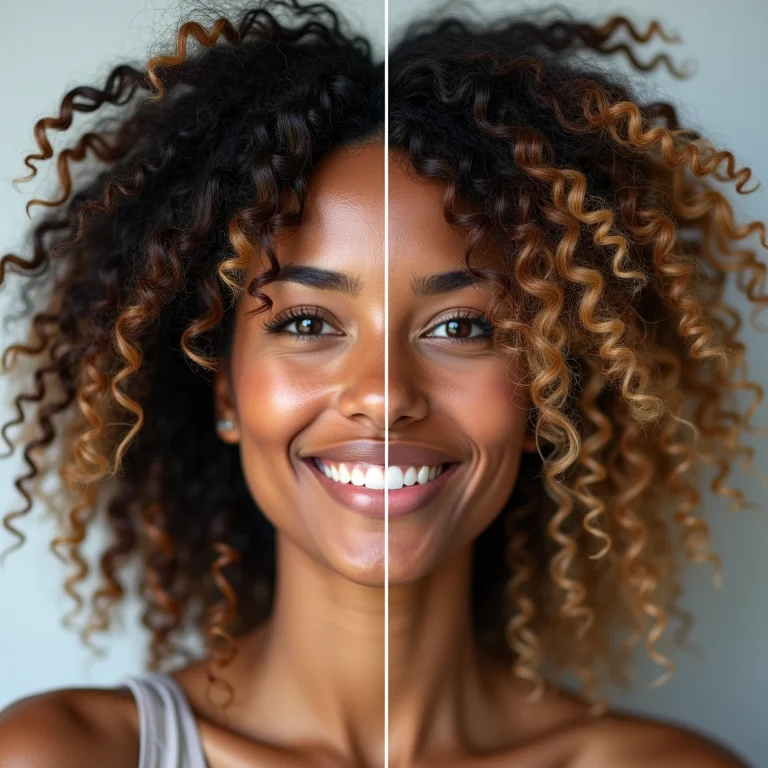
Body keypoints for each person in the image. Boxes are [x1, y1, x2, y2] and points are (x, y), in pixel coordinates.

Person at [0, 0, 761, 765]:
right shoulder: (61, 754)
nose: (385, 393)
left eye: (463, 327)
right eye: (306, 324)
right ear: (225, 389)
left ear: (543, 393)